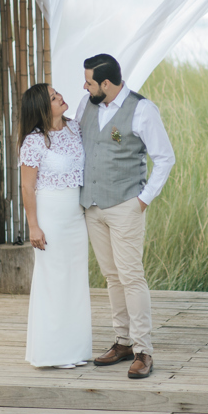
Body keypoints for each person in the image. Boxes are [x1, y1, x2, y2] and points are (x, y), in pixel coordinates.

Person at [77, 54, 175, 380]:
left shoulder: (143, 110)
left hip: (126, 207)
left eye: (89, 81)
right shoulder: (86, 104)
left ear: (106, 83)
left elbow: (165, 158)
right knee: (111, 276)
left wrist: (143, 201)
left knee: (131, 276)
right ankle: (121, 342)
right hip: (93, 207)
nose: (85, 86)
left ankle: (143, 350)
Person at [18, 83, 93, 369]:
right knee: (53, 280)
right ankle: (53, 353)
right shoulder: (34, 141)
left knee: (75, 279)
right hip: (50, 214)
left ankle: (76, 349)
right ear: (40, 108)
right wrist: (33, 226)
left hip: (76, 215)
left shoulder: (76, 129)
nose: (60, 97)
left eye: (57, 92)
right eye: (53, 97)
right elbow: (27, 188)